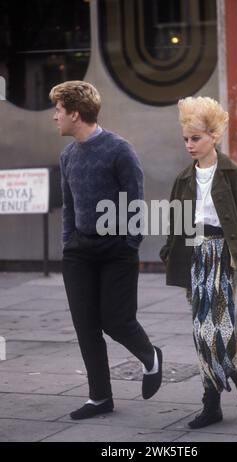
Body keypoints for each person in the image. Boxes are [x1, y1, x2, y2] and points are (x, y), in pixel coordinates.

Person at [49, 80, 162, 420]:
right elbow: (69, 207)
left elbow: (135, 200)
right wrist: (69, 243)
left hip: (117, 249)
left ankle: (151, 357)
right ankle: (100, 398)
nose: (55, 117)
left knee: (116, 320)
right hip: (80, 252)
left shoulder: (119, 149)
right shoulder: (67, 155)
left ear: (75, 113)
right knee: (86, 325)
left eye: (58, 110)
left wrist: (130, 243)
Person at [160, 96, 237, 429]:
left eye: (196, 138)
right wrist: (168, 252)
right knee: (200, 332)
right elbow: (176, 225)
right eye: (186, 139)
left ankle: (217, 395)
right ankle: (234, 379)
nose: (190, 145)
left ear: (214, 136)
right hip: (196, 259)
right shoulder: (183, 179)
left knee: (216, 330)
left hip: (226, 260)